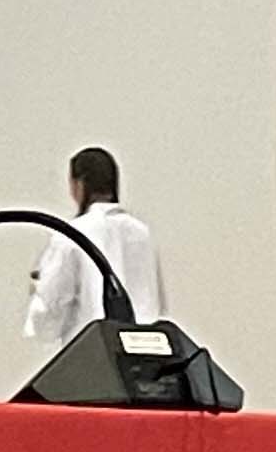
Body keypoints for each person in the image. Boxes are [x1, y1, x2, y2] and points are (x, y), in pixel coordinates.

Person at [24, 146, 169, 360]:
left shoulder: (72, 234)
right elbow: (156, 301)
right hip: (147, 358)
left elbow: (49, 311)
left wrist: (37, 290)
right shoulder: (142, 233)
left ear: (79, 184)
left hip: (93, 357)